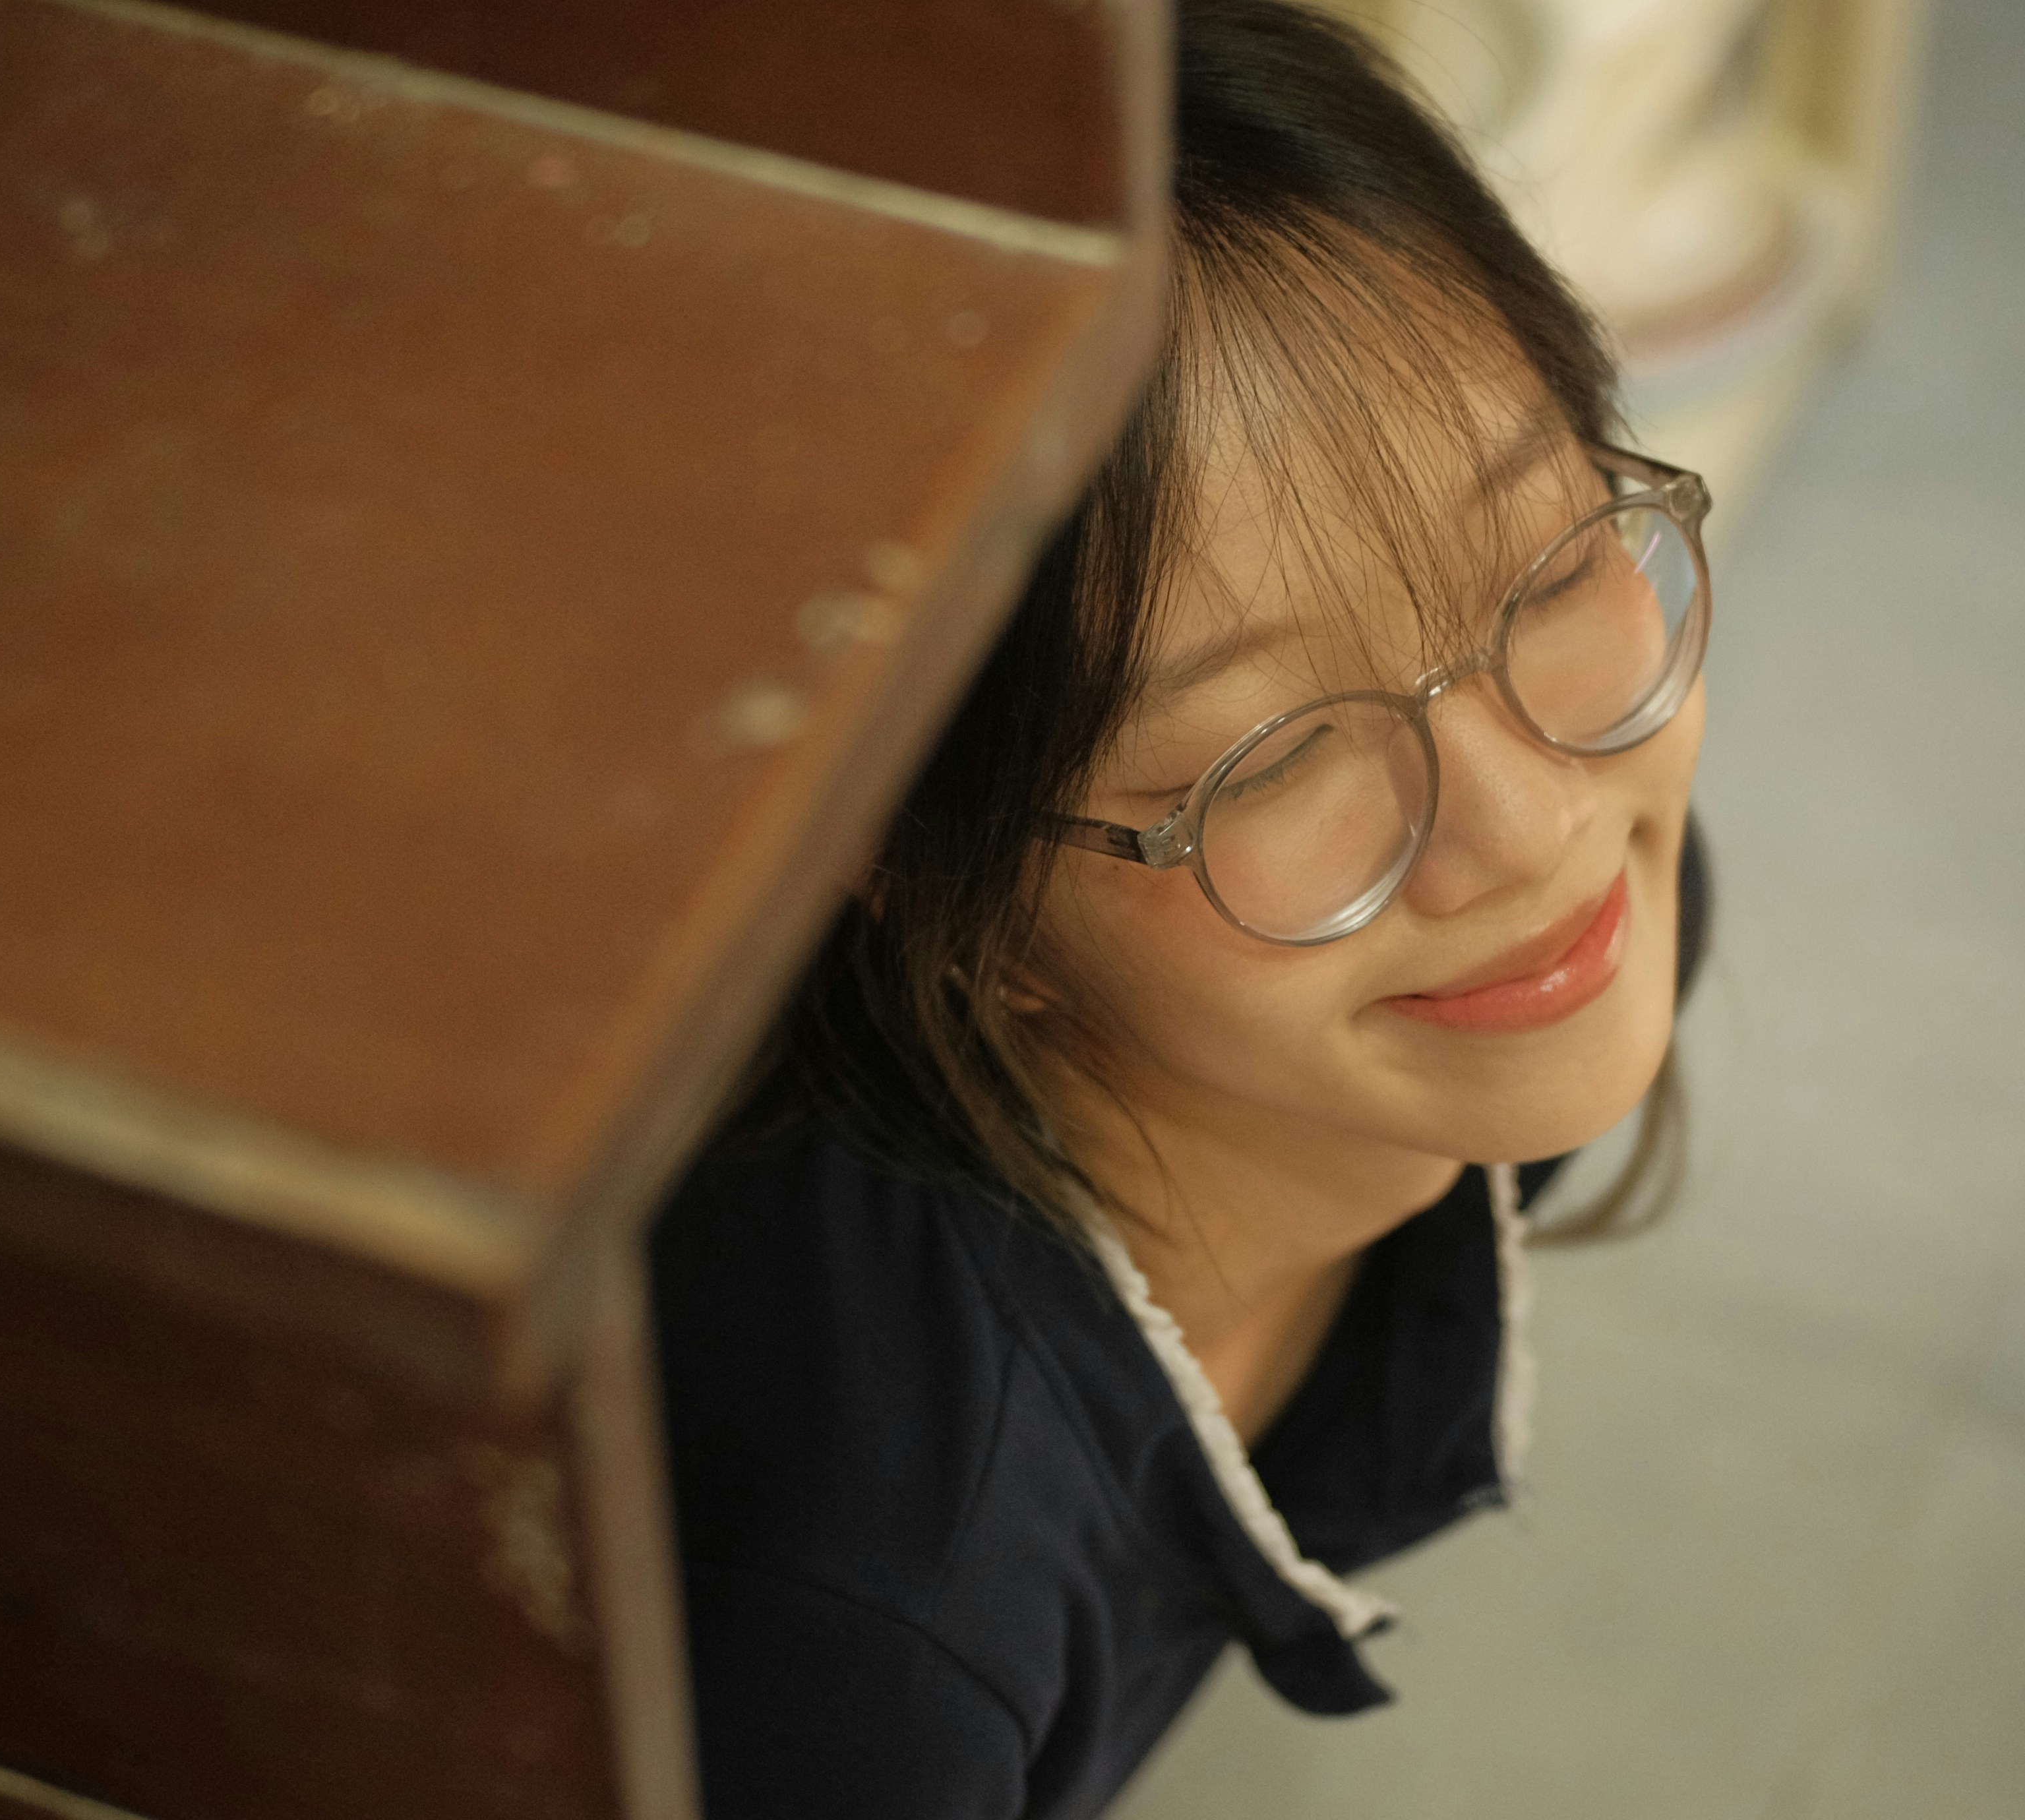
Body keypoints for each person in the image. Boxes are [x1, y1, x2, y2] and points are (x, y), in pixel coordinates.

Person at [650, 3, 1712, 1813]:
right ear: (929, 877)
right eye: (1268, 761)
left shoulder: (1585, 906)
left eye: (1544, 558)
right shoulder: (869, 1635)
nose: (1535, 827)